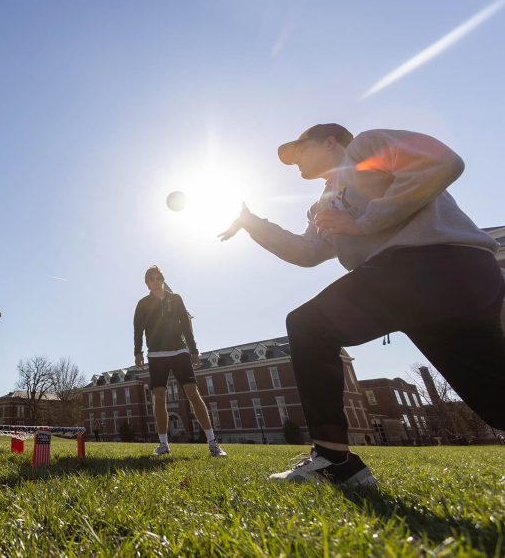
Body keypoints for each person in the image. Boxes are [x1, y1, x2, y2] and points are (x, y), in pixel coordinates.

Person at [219, 124, 504, 487]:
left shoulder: (366, 148)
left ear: (330, 141)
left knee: (309, 326)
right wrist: (253, 224)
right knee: (496, 400)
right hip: (416, 292)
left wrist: (362, 223)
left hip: (440, 261)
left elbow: (442, 162)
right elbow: (306, 252)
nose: (296, 163)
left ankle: (336, 462)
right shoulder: (322, 204)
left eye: (300, 151)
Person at [133, 265, 227, 458]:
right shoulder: (142, 304)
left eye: (158, 278)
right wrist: (138, 352)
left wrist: (193, 350)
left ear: (162, 280)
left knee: (192, 392)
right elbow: (138, 329)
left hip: (179, 351)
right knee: (159, 395)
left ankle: (212, 443)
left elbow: (185, 324)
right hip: (156, 354)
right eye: (151, 279)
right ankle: (163, 444)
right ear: (147, 283)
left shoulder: (175, 299)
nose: (155, 281)